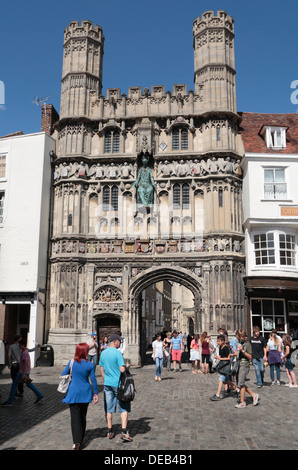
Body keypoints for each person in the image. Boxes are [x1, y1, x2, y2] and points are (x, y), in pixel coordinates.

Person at [61, 343, 98, 450]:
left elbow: (64, 373)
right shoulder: (90, 365)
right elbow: (93, 380)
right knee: (83, 416)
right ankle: (81, 438)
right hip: (85, 392)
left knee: (75, 418)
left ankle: (77, 442)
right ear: (86, 352)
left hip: (73, 392)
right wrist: (95, 393)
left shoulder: (72, 362)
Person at [99, 334, 133, 442]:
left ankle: (110, 430)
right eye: (119, 341)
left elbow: (101, 369)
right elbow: (122, 370)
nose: (120, 343)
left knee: (108, 409)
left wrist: (105, 380)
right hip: (119, 385)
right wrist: (127, 366)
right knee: (123, 407)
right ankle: (123, 431)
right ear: (114, 341)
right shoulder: (118, 353)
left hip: (108, 384)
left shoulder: (103, 353)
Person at [2, 339, 44, 407]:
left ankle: (10, 401)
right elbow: (24, 362)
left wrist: (23, 374)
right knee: (29, 384)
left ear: (22, 345)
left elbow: (25, 363)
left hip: (22, 372)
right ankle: (39, 395)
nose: (19, 346)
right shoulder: (25, 351)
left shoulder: (24, 352)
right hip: (25, 371)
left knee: (14, 385)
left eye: (20, 345)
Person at [234, 329, 259, 409]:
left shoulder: (247, 344)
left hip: (244, 365)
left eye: (242, 336)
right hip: (239, 364)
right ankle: (254, 395)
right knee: (241, 383)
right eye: (239, 336)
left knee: (241, 384)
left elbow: (250, 357)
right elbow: (238, 354)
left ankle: (242, 402)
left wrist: (242, 350)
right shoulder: (239, 343)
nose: (241, 338)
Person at [210, 334, 237, 401]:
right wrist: (217, 357)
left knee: (221, 379)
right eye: (217, 341)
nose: (217, 342)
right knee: (227, 381)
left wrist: (221, 358)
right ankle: (237, 389)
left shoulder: (226, 348)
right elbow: (220, 356)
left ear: (223, 341)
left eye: (219, 341)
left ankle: (218, 395)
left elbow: (228, 358)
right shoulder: (220, 347)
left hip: (226, 366)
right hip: (222, 365)